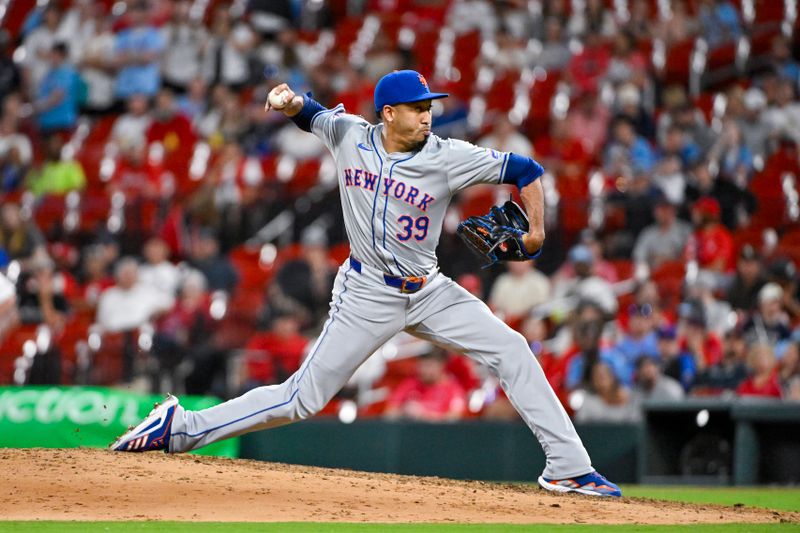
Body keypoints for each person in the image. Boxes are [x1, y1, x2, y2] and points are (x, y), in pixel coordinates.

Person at [111, 70, 621, 497]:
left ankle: (568, 466)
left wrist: (536, 231)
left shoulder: (446, 156)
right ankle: (180, 429)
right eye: (417, 106)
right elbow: (311, 113)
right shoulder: (351, 134)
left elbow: (526, 169)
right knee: (301, 398)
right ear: (388, 113)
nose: (428, 114)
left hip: (429, 290)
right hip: (366, 294)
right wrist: (288, 101)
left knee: (511, 348)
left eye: (429, 105)